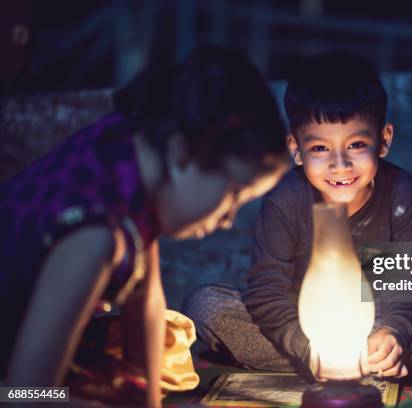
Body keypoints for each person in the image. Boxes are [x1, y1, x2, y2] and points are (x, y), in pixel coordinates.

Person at [0, 46, 288, 407]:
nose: (229, 220)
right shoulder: (94, 237)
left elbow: (147, 302)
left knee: (162, 348)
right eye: (233, 194)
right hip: (16, 386)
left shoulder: (133, 150)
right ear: (183, 154)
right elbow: (26, 395)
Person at [183, 51, 412, 380]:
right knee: (204, 306)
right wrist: (305, 347)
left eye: (355, 145)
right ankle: (367, 363)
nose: (340, 165)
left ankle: (376, 356)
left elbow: (402, 286)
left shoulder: (403, 194)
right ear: (296, 148)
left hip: (375, 315)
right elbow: (266, 291)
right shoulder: (286, 199)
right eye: (320, 149)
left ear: (383, 140)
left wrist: (395, 334)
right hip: (300, 322)